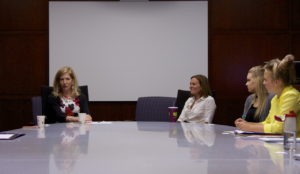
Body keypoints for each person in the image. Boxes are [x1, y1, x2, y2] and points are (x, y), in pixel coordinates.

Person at [235, 54, 300, 134]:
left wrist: (249, 127)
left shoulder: (290, 95)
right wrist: (245, 124)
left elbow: (282, 127)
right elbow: (267, 123)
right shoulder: (275, 98)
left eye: (265, 80)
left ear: (276, 81)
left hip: (292, 145)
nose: (263, 83)